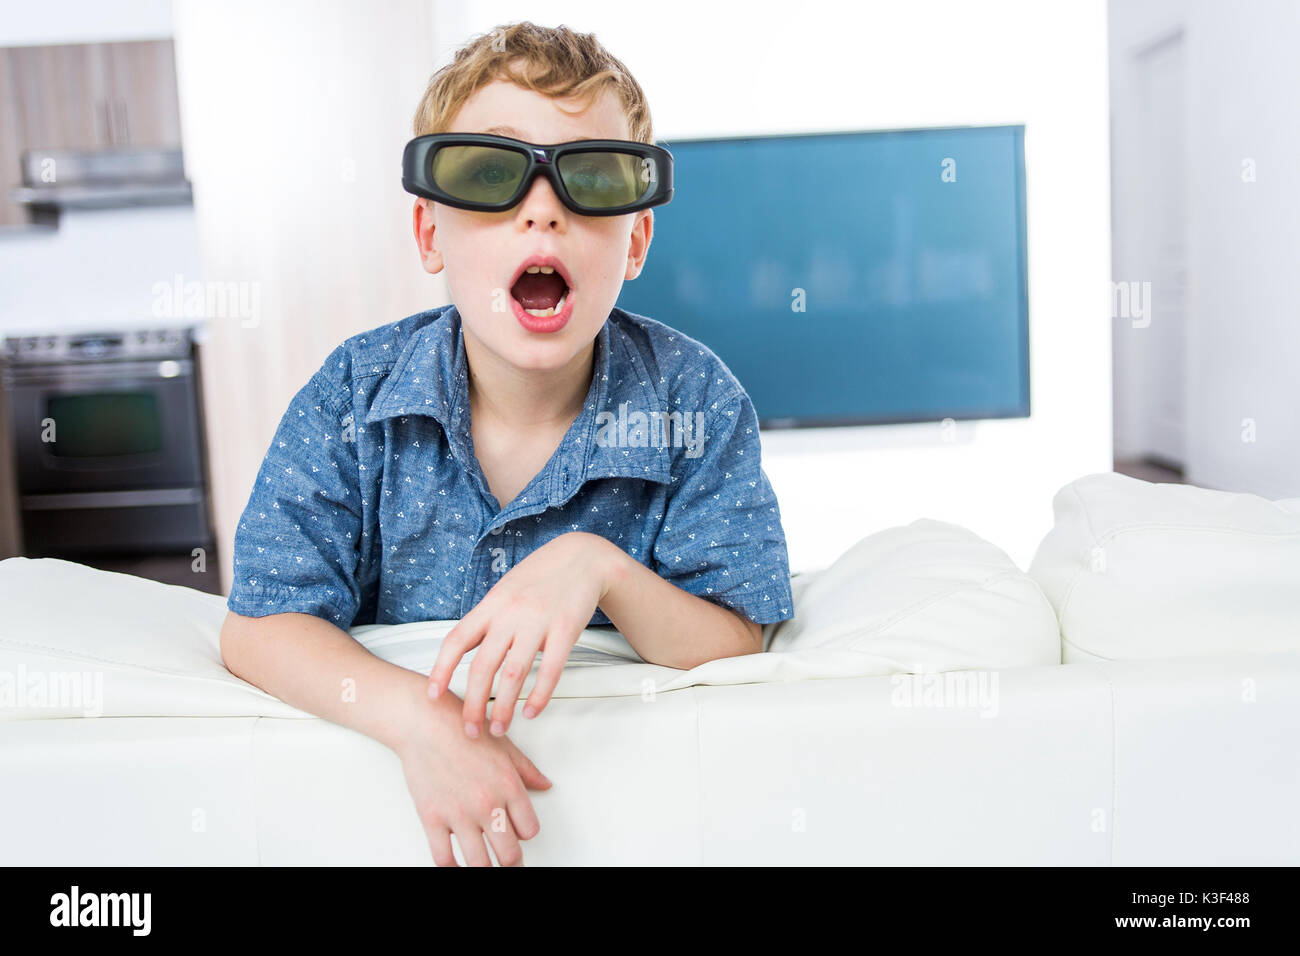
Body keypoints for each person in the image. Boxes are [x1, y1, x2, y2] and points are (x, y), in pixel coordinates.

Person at [218, 20, 794, 867]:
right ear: (429, 236)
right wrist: (421, 721)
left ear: (634, 241)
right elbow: (259, 626)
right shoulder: (352, 395)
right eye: (490, 173)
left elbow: (739, 633)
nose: (542, 211)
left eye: (589, 178)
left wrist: (595, 565)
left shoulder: (695, 400)